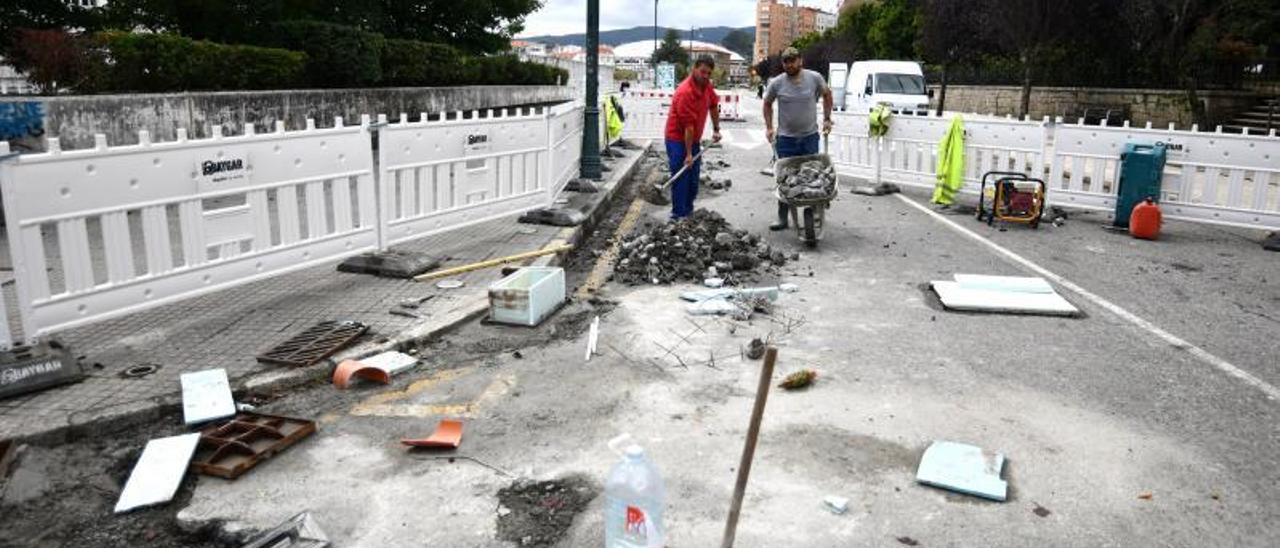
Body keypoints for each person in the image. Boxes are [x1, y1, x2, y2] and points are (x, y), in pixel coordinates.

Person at [762, 47, 834, 231]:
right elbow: (767, 103)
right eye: (786, 61)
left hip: (809, 136)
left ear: (800, 60)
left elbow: (827, 94)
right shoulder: (777, 83)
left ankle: (814, 211)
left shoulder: (814, 78)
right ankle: (782, 217)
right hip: (786, 139)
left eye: (793, 60)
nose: (789, 64)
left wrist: (826, 118)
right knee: (785, 179)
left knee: (811, 176)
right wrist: (769, 127)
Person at [664, 56, 722, 220]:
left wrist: (716, 129)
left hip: (693, 139)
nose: (705, 76)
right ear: (694, 68)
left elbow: (713, 106)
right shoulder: (685, 92)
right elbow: (688, 127)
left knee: (693, 181)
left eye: (709, 73)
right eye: (703, 72)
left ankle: (688, 213)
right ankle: (677, 215)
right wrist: (689, 154)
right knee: (682, 178)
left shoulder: (706, 86)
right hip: (676, 139)